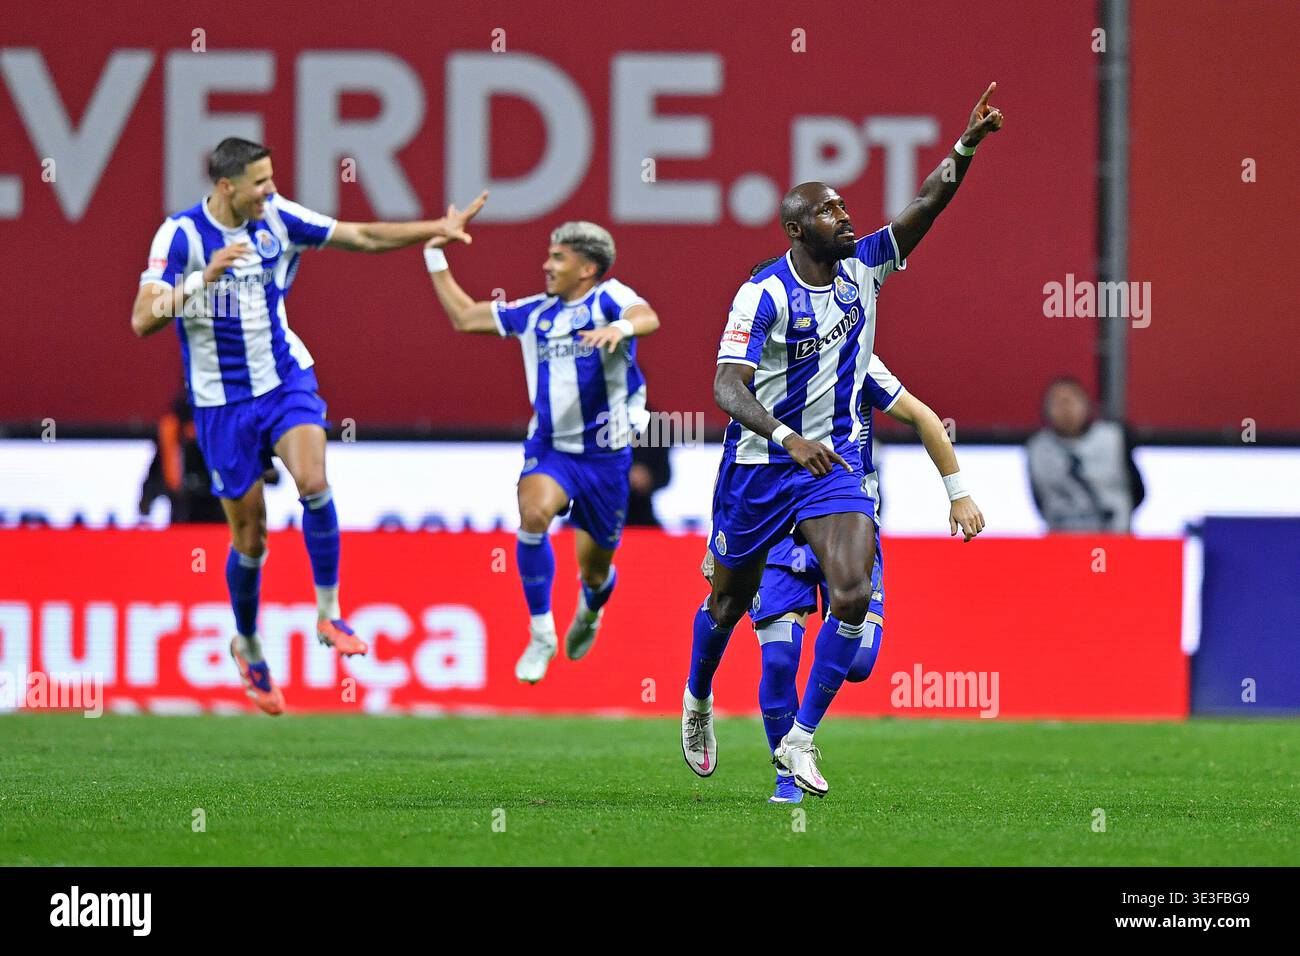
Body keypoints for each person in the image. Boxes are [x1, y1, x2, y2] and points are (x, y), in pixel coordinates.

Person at [681, 83, 1004, 797]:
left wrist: (964, 148)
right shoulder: (760, 295)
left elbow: (925, 208)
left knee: (854, 592)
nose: (844, 216)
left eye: (845, 206)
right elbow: (726, 389)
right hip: (761, 468)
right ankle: (699, 698)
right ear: (798, 229)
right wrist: (786, 434)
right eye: (829, 210)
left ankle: (800, 739)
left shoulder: (865, 269)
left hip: (831, 467)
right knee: (726, 606)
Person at [131, 136, 485, 715]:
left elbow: (361, 235)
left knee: (314, 482)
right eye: (260, 183)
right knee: (252, 539)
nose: (270, 191)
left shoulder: (278, 220)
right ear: (227, 187)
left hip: (284, 379)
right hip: (220, 404)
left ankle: (329, 611)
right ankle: (246, 643)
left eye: (272, 179)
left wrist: (435, 228)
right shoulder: (181, 236)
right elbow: (142, 318)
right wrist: (201, 281)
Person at [704, 348, 985, 803]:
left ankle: (802, 728)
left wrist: (959, 493)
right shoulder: (756, 369)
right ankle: (786, 772)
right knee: (778, 660)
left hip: (846, 520)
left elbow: (921, 415)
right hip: (779, 529)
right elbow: (735, 455)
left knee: (858, 663)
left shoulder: (852, 354)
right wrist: (718, 530)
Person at [422, 208, 660, 684]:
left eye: (558, 258)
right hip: (550, 447)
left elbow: (646, 315)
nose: (547, 265)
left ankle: (590, 610)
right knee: (533, 516)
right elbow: (467, 318)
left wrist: (621, 329)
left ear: (586, 268)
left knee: (594, 572)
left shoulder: (609, 298)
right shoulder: (536, 313)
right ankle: (540, 630)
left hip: (605, 456)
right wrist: (434, 255)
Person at [1027, 377, 1145, 532]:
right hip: (1062, 542)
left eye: (1071, 401)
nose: (1065, 409)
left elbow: (1138, 490)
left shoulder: (1114, 438)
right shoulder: (1037, 448)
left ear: (1087, 405)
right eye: (1058, 403)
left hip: (1114, 538)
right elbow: (1039, 499)